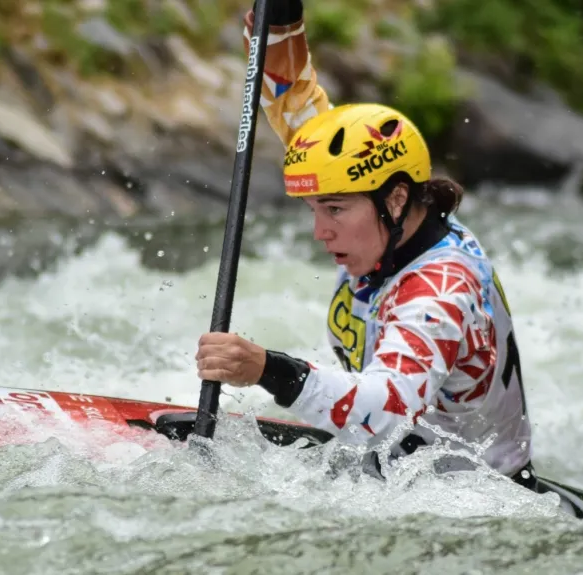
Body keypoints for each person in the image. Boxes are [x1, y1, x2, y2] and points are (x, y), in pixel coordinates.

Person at [195, 0, 536, 489]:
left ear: (396, 200)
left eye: (334, 210)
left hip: (472, 495)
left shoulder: (440, 290)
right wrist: (282, 25)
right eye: (314, 210)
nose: (320, 231)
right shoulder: (378, 213)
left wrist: (267, 369)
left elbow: (388, 408)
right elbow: (294, 100)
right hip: (388, 463)